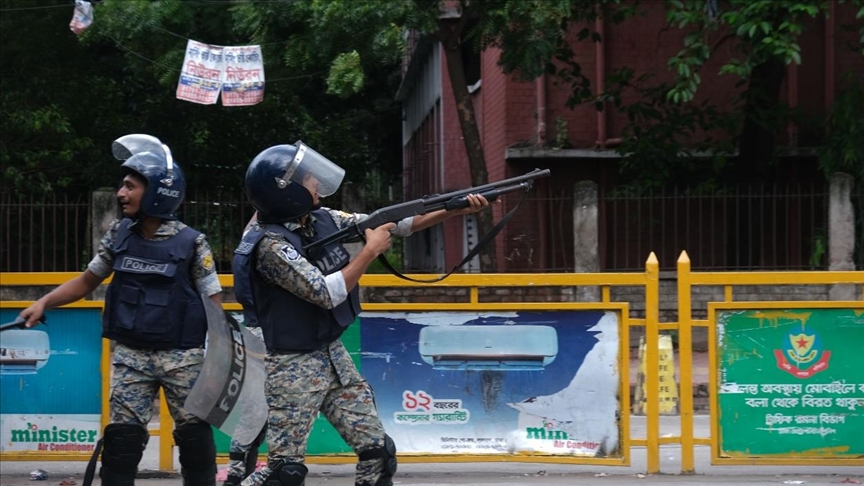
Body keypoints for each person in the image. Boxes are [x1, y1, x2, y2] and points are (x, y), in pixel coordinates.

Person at [232, 142, 490, 486]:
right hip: (293, 366)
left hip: (332, 355)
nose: (315, 182)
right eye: (307, 178)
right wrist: (369, 253)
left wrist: (453, 208)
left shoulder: (320, 220)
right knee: (284, 473)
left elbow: (392, 223)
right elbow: (325, 293)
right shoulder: (270, 246)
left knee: (378, 455)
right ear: (286, 192)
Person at [19, 134, 222, 486]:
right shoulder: (119, 234)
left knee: (195, 443)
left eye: (130, 186)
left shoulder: (193, 243)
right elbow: (86, 282)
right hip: (131, 358)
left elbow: (214, 304)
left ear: (158, 191)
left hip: (184, 359)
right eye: (122, 186)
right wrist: (44, 301)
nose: (121, 193)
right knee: (121, 445)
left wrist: (222, 364)